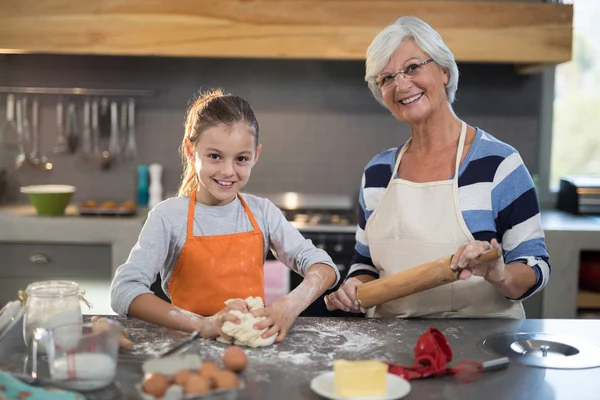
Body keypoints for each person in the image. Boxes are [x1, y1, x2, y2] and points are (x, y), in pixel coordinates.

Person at [326, 16, 550, 318]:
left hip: (481, 352)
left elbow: (535, 266)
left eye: (413, 67)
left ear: (444, 71)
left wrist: (499, 274)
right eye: (387, 78)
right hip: (393, 350)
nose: (401, 84)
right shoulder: (377, 173)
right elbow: (365, 263)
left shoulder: (499, 165)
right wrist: (355, 284)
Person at [111, 89, 340, 341]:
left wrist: (289, 306)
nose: (228, 171)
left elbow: (324, 267)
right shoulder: (168, 216)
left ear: (256, 156)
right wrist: (203, 324)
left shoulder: (262, 213)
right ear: (190, 150)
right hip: (188, 348)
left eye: (241, 159)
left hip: (249, 349)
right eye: (214, 156)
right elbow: (124, 290)